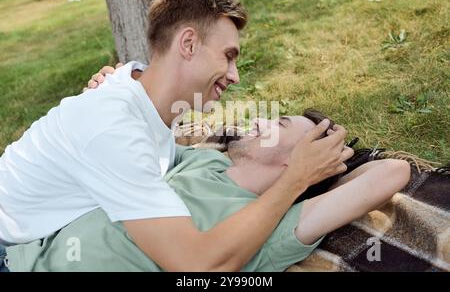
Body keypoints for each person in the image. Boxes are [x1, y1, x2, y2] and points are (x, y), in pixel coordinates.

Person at [0, 0, 353, 272]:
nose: (235, 75)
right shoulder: (113, 127)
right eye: (228, 56)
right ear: (188, 44)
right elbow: (196, 267)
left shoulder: (137, 99)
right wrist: (296, 179)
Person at [5, 114, 410, 271]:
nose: (261, 119)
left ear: (296, 163)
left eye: (279, 124)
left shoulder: (274, 225)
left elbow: (392, 171)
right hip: (21, 240)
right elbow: (135, 148)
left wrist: (305, 178)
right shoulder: (208, 160)